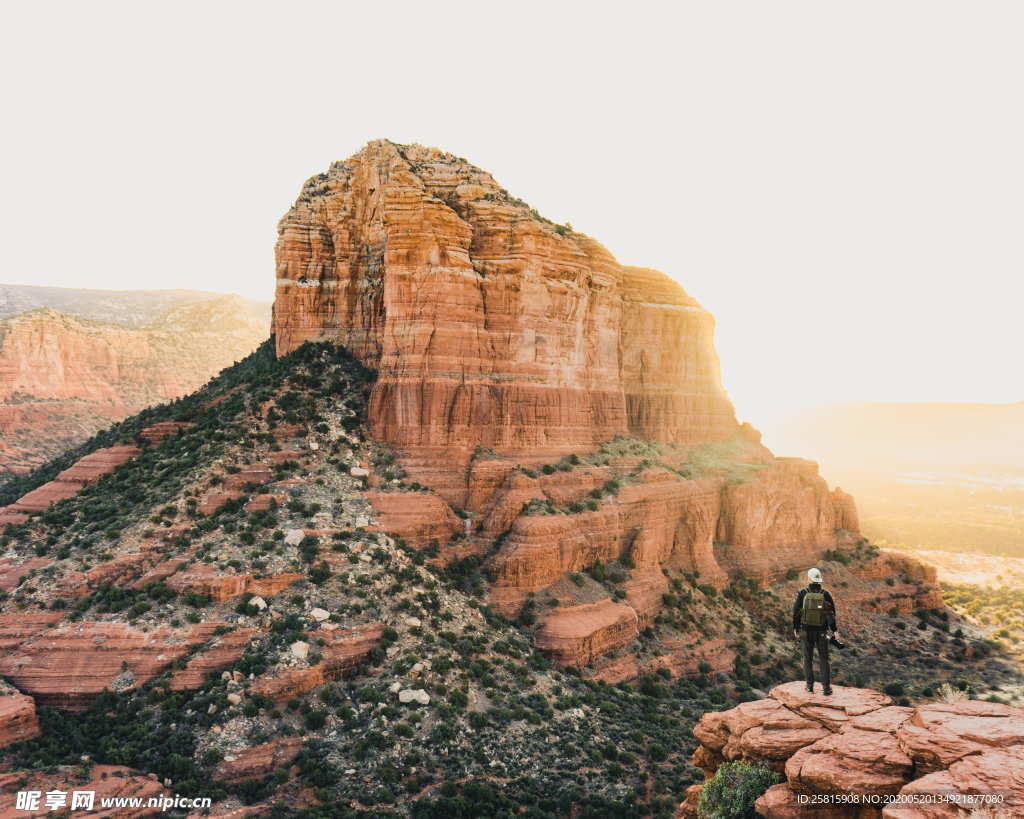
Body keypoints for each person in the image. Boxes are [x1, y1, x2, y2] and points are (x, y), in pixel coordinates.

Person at [792, 567, 840, 695]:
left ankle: (809, 686)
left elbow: (796, 612)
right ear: (819, 580)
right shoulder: (825, 594)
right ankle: (826, 689)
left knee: (808, 659)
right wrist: (834, 630)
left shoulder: (803, 593)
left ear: (809, 578)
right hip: (821, 632)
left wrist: (796, 628)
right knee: (824, 659)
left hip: (806, 631)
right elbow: (831, 614)